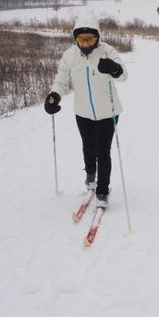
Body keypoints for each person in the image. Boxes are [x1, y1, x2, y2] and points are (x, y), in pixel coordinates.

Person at [44, 16, 127, 210]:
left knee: (102, 151)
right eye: (81, 39)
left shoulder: (107, 51)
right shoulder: (69, 56)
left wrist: (113, 68)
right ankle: (91, 178)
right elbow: (61, 81)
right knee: (88, 147)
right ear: (75, 39)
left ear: (97, 37)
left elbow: (123, 75)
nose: (85, 43)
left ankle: (102, 191)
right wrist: (54, 96)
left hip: (108, 111)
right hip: (83, 112)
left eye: (89, 39)